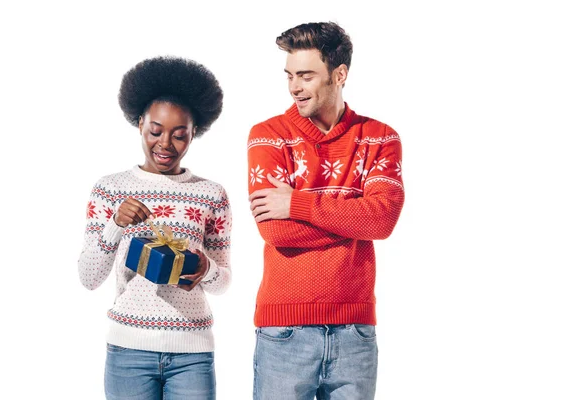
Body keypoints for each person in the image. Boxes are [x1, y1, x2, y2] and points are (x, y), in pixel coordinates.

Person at [247, 22, 404, 399]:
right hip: (284, 332)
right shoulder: (268, 134)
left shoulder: (380, 137)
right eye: (289, 75)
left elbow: (382, 220)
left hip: (355, 332)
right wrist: (354, 218)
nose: (294, 87)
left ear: (340, 74)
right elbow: (275, 231)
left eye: (305, 76)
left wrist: (297, 204)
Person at [78, 56, 231, 400]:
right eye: (155, 131)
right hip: (128, 350)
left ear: (195, 134)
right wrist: (116, 224)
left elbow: (223, 281)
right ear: (140, 124)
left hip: (193, 353)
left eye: (180, 135)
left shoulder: (212, 194)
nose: (165, 144)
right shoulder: (110, 189)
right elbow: (88, 277)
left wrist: (205, 268)